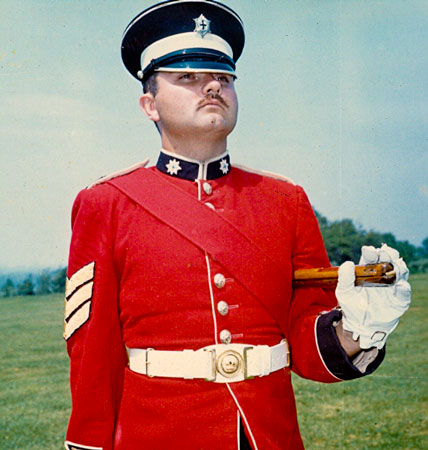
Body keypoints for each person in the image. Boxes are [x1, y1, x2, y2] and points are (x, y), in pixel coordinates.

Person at [63, 1, 411, 449]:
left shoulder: (286, 200)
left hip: (266, 434)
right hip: (157, 434)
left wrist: (360, 328)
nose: (211, 86)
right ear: (149, 104)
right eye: (187, 77)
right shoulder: (106, 204)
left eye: (223, 78)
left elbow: (306, 339)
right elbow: (93, 351)